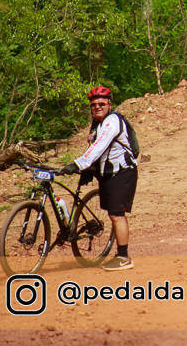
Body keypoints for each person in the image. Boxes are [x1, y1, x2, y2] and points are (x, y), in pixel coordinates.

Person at [59, 86, 137, 271]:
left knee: (117, 215)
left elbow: (99, 146)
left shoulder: (112, 122)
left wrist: (78, 164)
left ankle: (124, 257)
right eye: (93, 105)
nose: (97, 107)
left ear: (109, 104)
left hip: (123, 172)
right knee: (112, 213)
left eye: (102, 104)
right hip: (107, 173)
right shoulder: (97, 124)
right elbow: (93, 148)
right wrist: (88, 168)